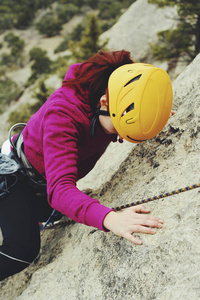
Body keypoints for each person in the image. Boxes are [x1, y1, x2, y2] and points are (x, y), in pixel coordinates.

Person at [0, 50, 173, 281]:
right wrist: (112, 219)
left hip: (42, 181)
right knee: (22, 249)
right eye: (120, 125)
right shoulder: (62, 115)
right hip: (15, 177)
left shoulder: (117, 90)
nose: (122, 134)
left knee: (47, 211)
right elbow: (60, 190)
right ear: (104, 103)